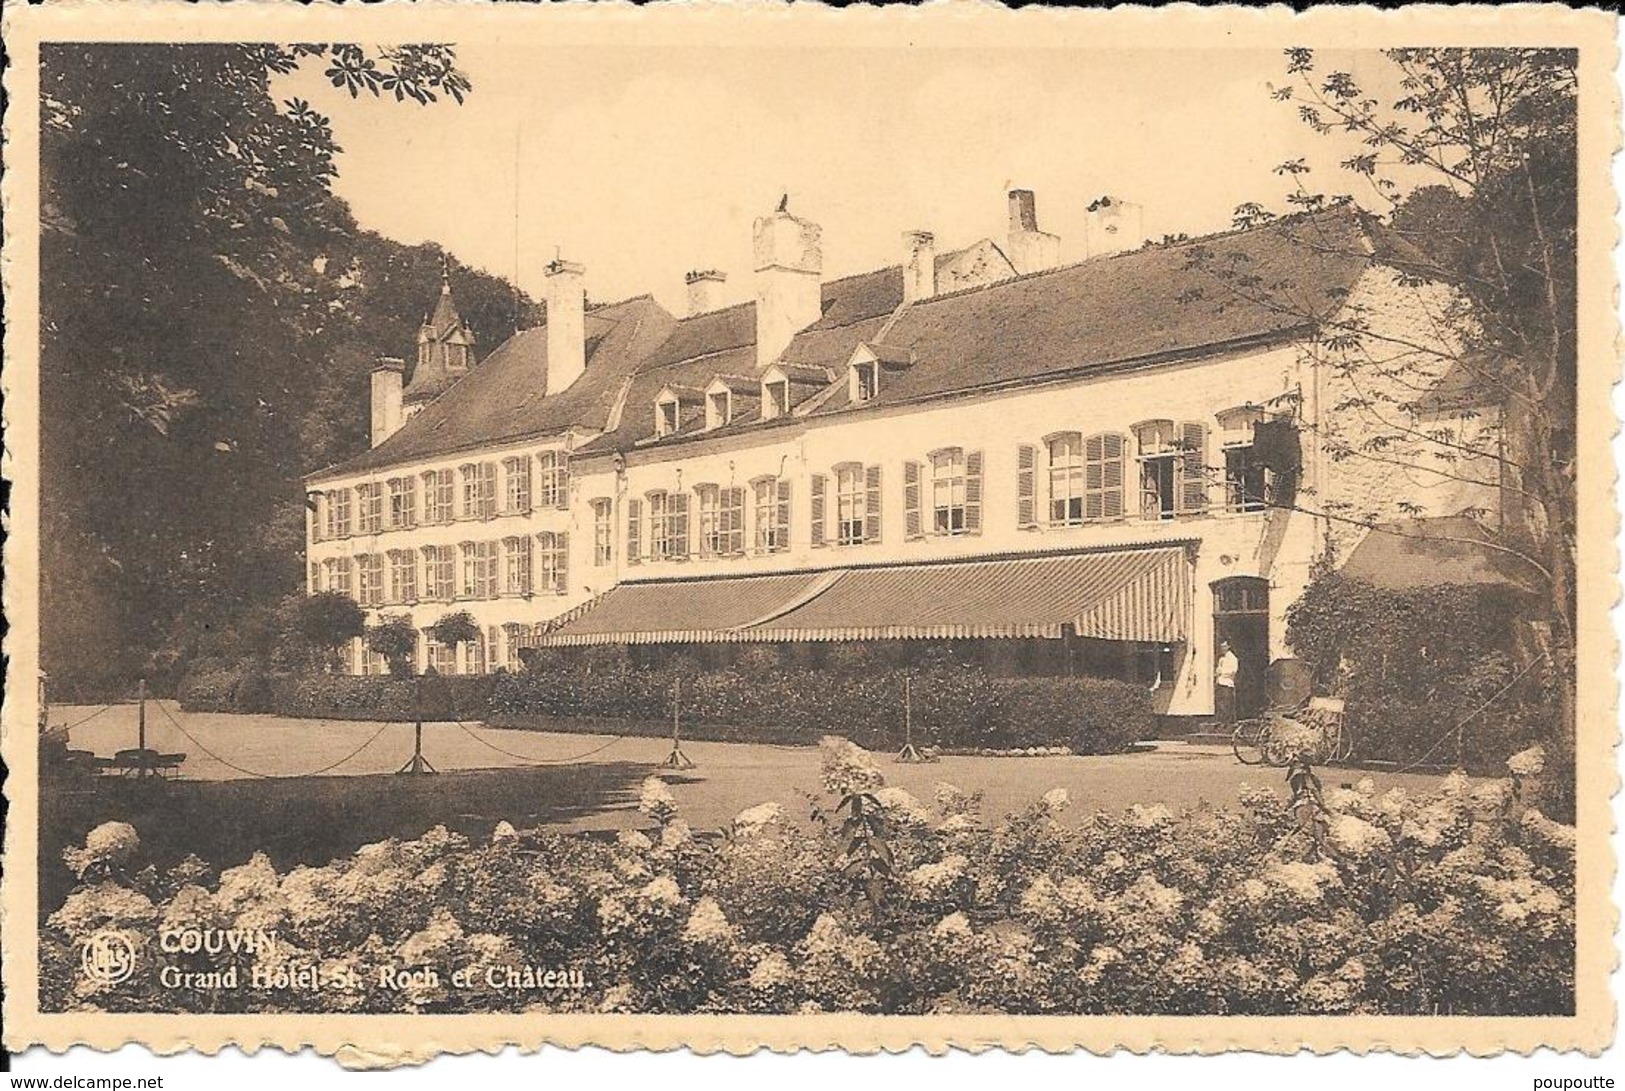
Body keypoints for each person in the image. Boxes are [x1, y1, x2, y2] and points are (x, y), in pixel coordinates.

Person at [1214, 640, 1239, 725]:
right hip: (1220, 682)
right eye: (1221, 647)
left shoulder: (1233, 658)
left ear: (1228, 647)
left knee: (1227, 703)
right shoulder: (1221, 659)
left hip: (1227, 683)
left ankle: (1228, 722)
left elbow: (1233, 671)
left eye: (1224, 646)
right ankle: (1221, 721)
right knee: (1220, 702)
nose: (1222, 649)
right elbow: (1218, 669)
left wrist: (1222, 672)